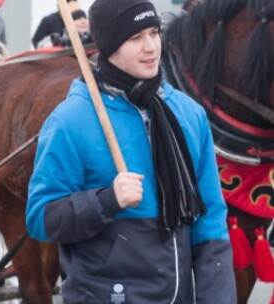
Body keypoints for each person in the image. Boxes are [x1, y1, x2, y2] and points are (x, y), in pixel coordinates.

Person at [26, 0, 236, 303]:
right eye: (135, 38)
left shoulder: (189, 114)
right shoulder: (70, 121)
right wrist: (106, 201)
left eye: (154, 32)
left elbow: (210, 222)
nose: (151, 46)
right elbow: (41, 218)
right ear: (110, 45)